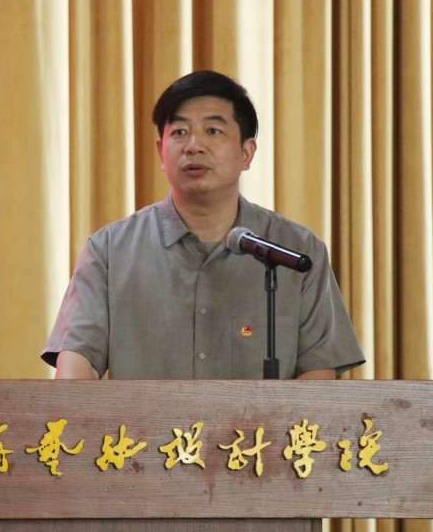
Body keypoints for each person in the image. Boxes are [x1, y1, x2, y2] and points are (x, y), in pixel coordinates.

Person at [42, 70, 364, 380]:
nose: (193, 146)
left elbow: (318, 371)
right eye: (179, 132)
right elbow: (76, 363)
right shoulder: (109, 251)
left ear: (246, 153)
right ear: (161, 152)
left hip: (262, 423)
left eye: (213, 131)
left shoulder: (296, 251)